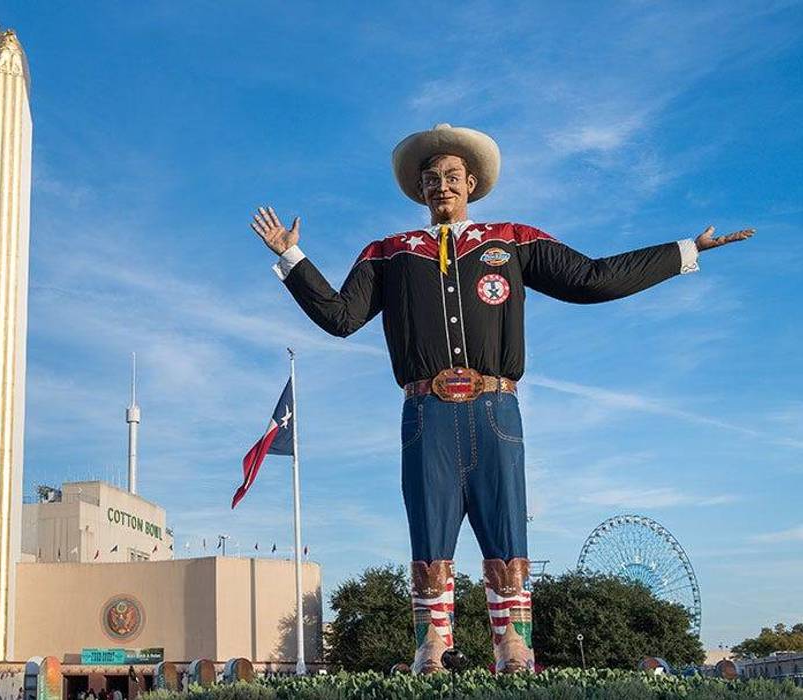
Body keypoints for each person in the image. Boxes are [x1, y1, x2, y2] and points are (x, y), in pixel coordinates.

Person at [250, 123, 752, 674]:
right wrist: (293, 256)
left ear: (472, 184)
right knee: (429, 529)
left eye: (452, 177)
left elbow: (591, 278)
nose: (442, 186)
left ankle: (513, 640)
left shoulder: (511, 239)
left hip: (496, 408)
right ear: (420, 190)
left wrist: (684, 250)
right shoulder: (389, 252)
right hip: (425, 410)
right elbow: (341, 317)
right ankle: (432, 642)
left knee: (506, 525)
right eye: (431, 179)